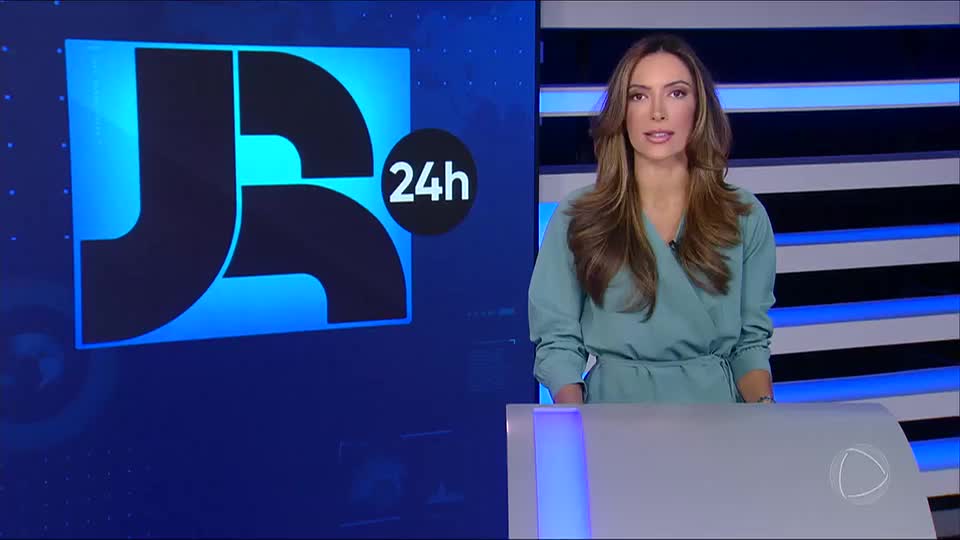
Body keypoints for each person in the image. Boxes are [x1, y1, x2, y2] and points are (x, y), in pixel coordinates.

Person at [529, 33, 777, 405]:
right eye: (639, 96)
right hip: (614, 414)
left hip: (715, 415)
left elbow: (750, 344)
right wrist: (574, 421)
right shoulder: (579, 216)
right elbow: (557, 341)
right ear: (622, 112)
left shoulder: (742, 215)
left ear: (699, 109)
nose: (657, 112)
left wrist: (765, 414)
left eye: (676, 93)